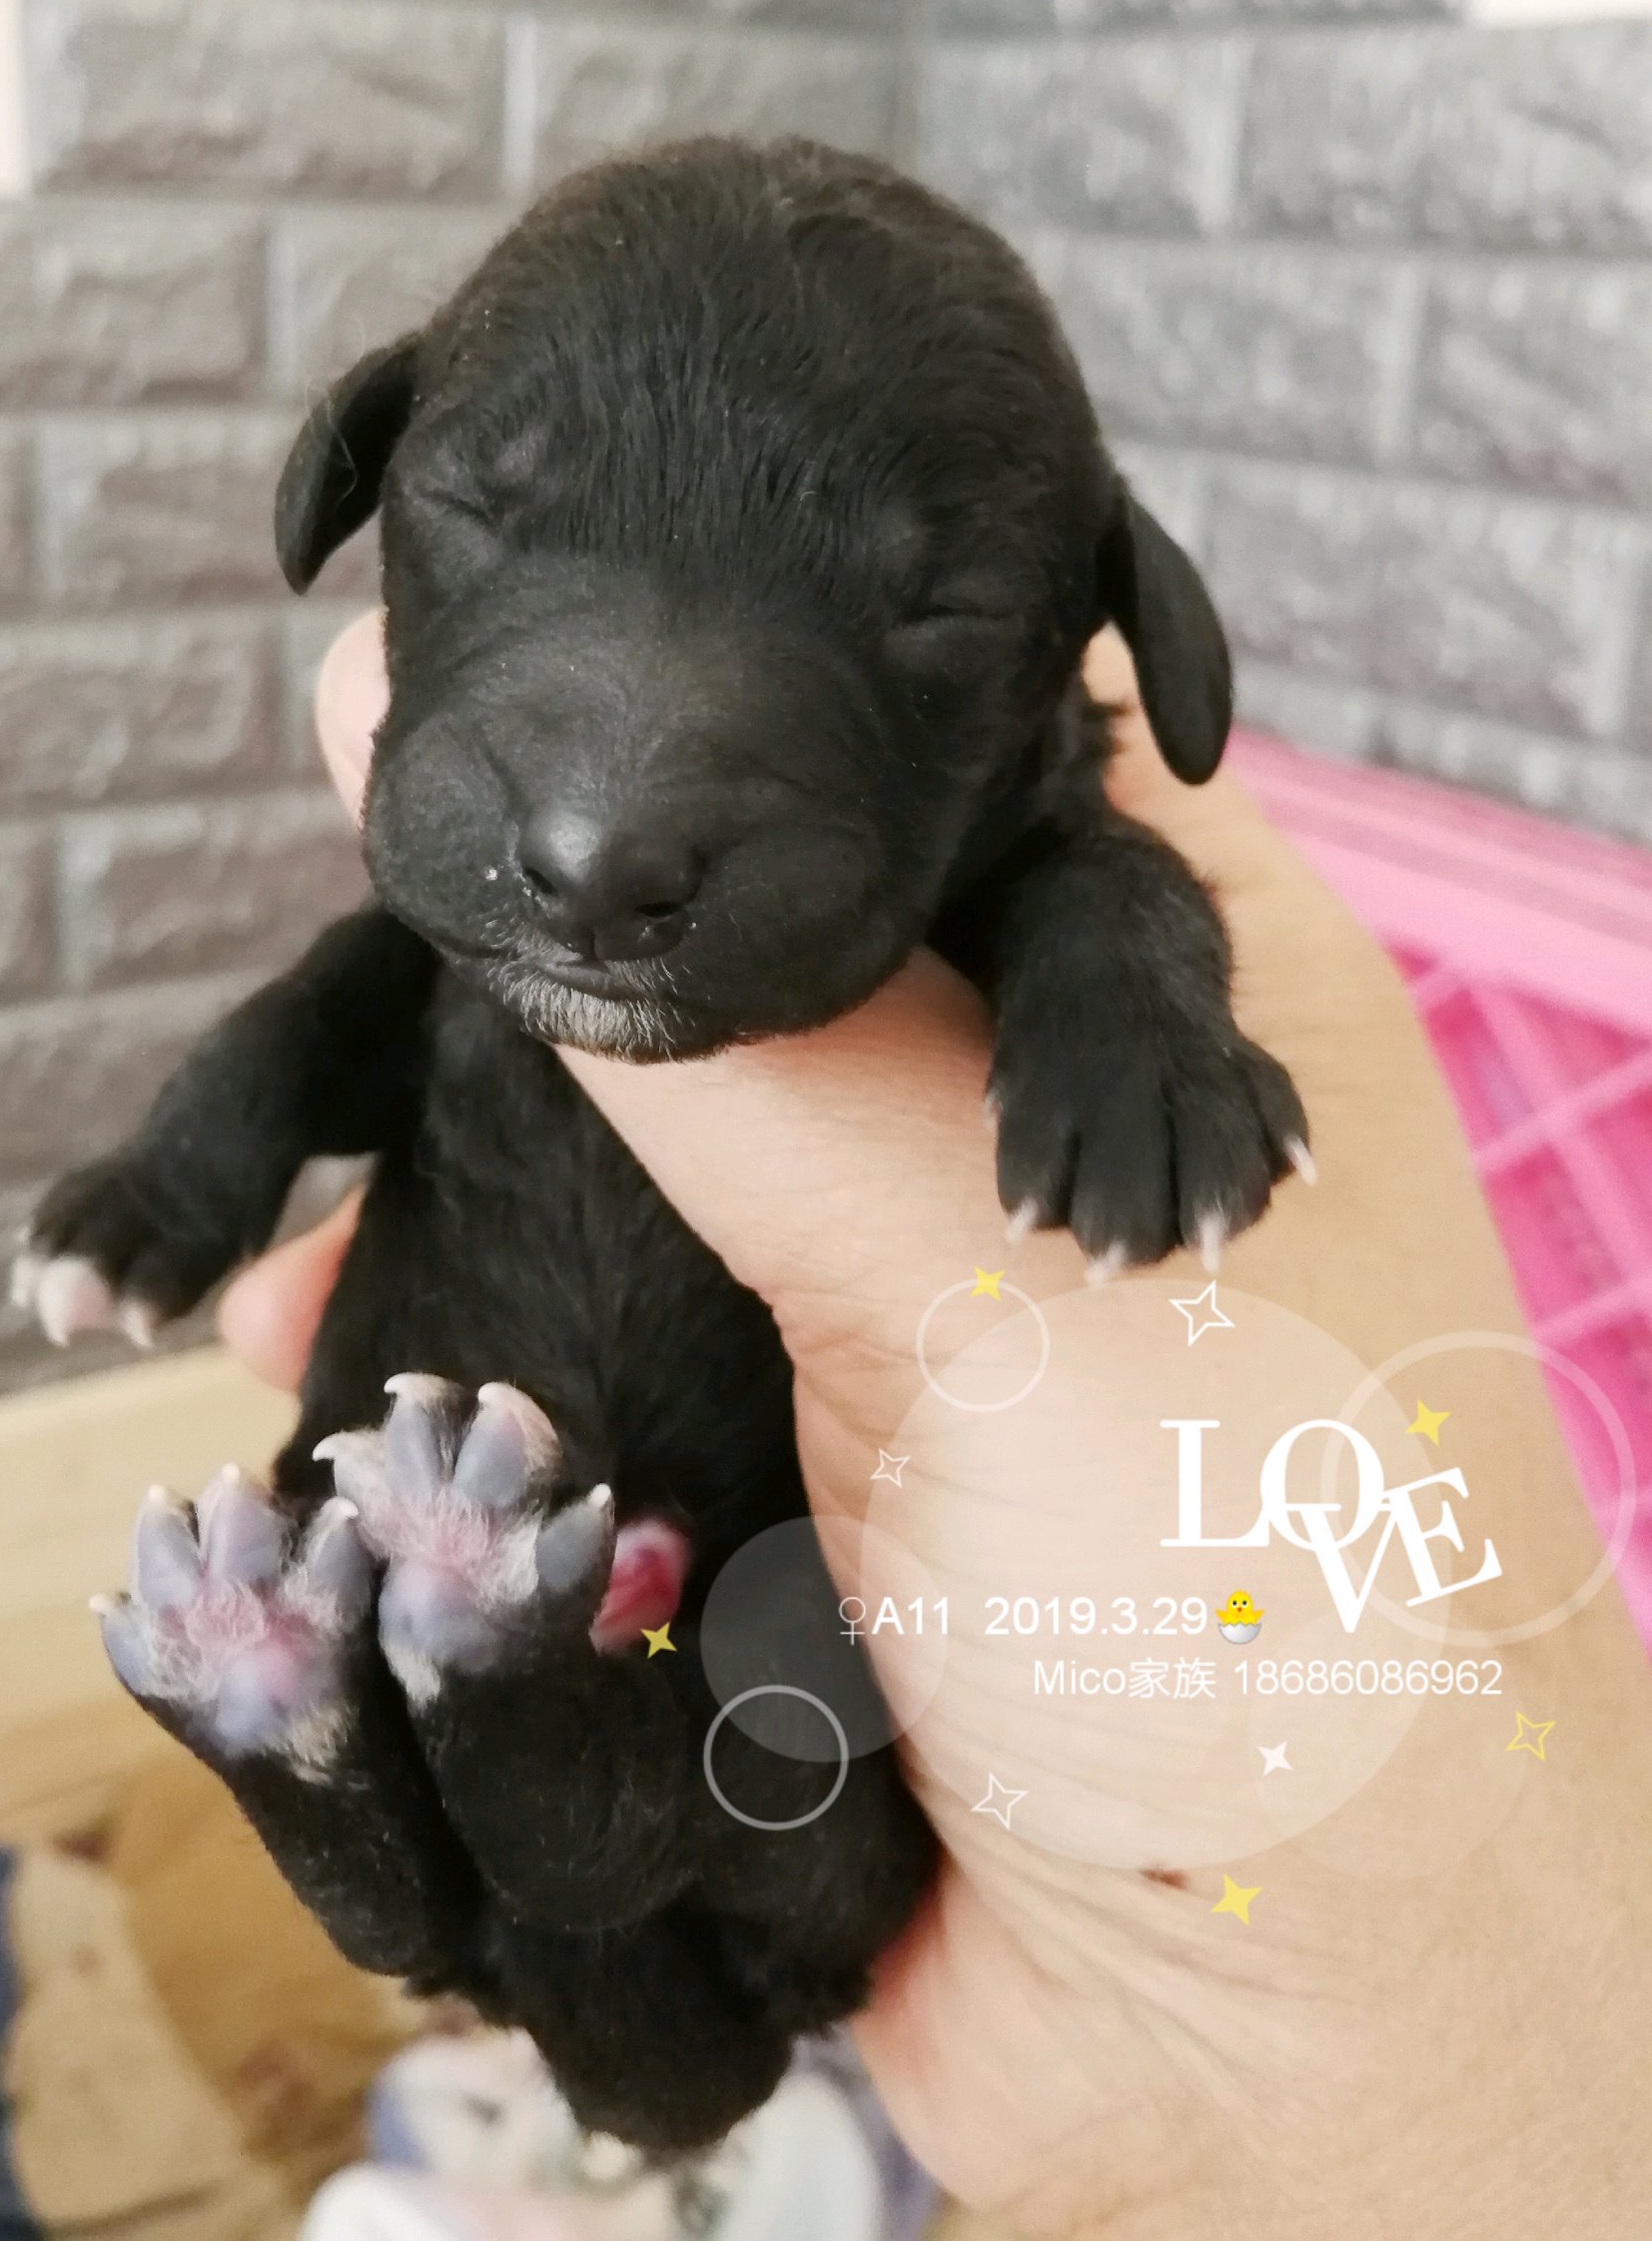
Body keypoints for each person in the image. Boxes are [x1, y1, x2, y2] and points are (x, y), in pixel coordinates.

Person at [222, 611, 1652, 2241]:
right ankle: (435, 1752)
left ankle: (417, 1738)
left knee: (628, 1871)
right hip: (786, 1730)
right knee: (614, 1911)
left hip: (794, 1683)